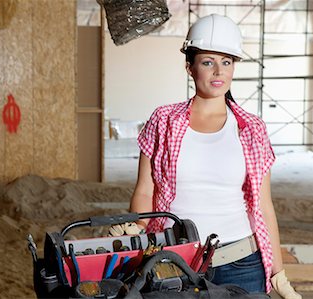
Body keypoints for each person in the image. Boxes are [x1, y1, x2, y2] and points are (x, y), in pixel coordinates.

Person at [109, 14, 301, 299]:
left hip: (242, 264)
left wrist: (278, 271)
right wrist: (137, 228)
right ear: (190, 67)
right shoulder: (163, 121)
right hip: (175, 262)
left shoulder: (252, 129)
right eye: (208, 62)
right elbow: (146, 190)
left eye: (227, 62)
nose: (218, 72)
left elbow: (263, 205)